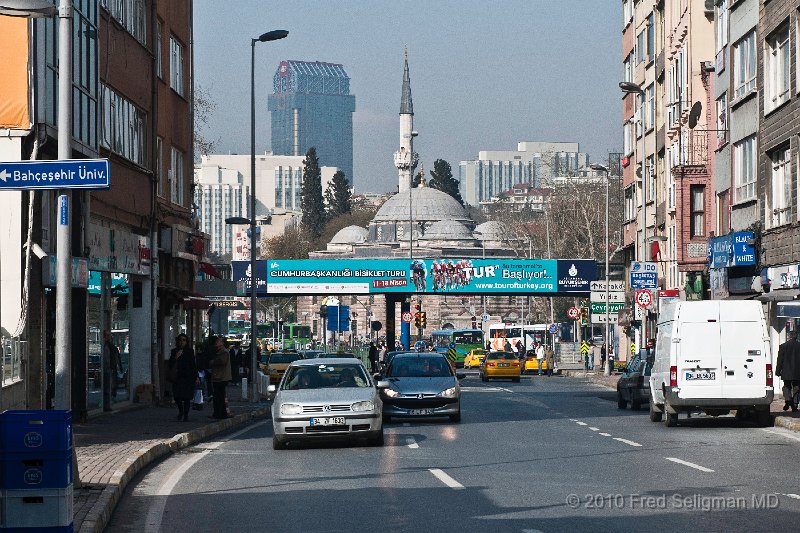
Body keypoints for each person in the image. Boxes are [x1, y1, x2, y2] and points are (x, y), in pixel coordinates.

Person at [167, 334, 198, 422]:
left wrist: (196, 377)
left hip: (188, 378)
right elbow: (170, 364)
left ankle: (186, 415)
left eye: (184, 340)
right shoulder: (174, 351)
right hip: (178, 377)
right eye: (180, 340)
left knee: (187, 397)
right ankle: (181, 411)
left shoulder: (190, 351)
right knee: (177, 396)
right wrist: (176, 357)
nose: (182, 342)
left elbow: (193, 365)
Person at [776, 331, 800, 412]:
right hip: (797, 371)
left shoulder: (783, 346)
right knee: (796, 387)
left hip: (786, 371)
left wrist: (778, 371)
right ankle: (795, 404)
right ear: (796, 337)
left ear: (789, 337)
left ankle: (788, 400)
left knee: (786, 386)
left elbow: (779, 360)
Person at [210, 336, 232, 419]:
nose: (216, 342)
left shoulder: (224, 352)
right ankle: (220, 413)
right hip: (218, 377)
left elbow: (222, 362)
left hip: (221, 377)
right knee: (219, 396)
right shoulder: (219, 351)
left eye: (218, 341)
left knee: (218, 397)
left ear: (222, 343)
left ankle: (219, 414)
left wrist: (212, 362)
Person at [102, 331, 121, 412]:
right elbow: (110, 359)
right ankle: (107, 405)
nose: (109, 337)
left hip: (109, 369)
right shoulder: (108, 346)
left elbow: (112, 358)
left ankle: (107, 404)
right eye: (108, 336)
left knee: (108, 387)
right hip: (109, 369)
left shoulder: (108, 346)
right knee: (108, 388)